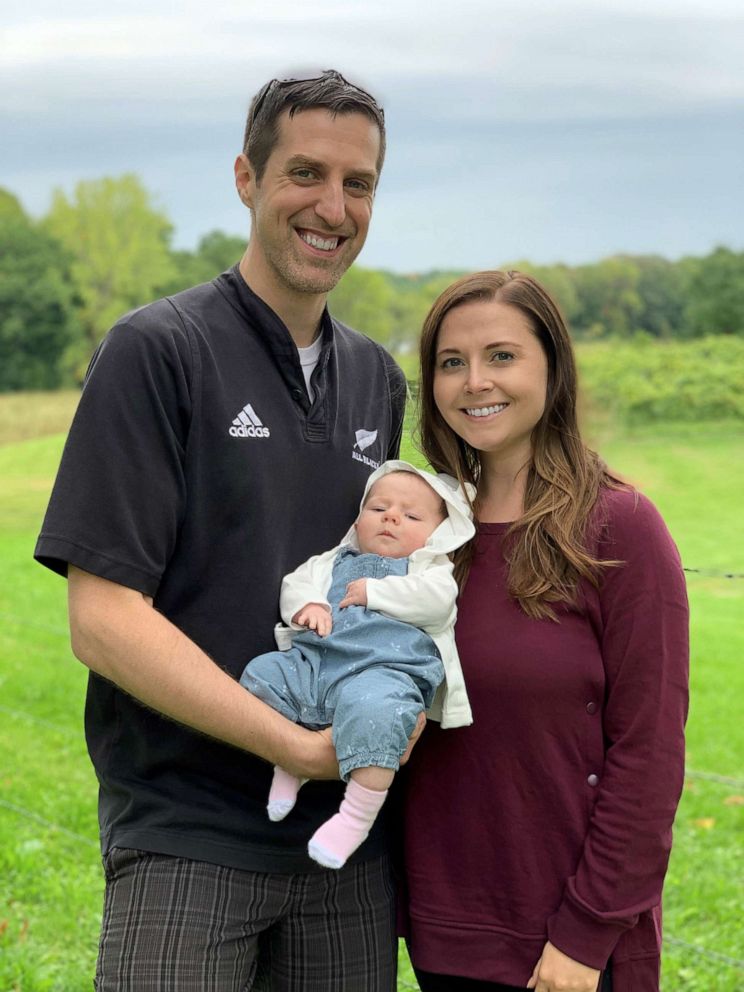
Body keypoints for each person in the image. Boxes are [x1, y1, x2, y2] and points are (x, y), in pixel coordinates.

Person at [35, 71, 410, 991]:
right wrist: (288, 744)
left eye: (357, 184)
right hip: (187, 835)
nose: (332, 207)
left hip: (345, 851)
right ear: (247, 178)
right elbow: (103, 619)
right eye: (305, 174)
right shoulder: (157, 351)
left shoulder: (377, 378)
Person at [401, 271, 689, 992]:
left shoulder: (619, 527)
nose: (474, 382)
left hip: (567, 950)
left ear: (553, 370)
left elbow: (650, 751)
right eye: (451, 362)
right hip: (444, 932)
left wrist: (586, 937)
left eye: (502, 356)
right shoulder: (429, 536)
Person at [240, 460, 475, 870]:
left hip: (383, 672)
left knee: (379, 713)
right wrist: (308, 605)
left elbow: (437, 606)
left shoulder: (431, 571)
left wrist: (376, 592)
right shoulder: (332, 561)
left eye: (411, 515)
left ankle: (354, 818)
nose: (392, 517)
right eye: (378, 508)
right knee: (262, 674)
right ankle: (288, 766)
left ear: (437, 535)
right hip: (316, 665)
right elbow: (295, 583)